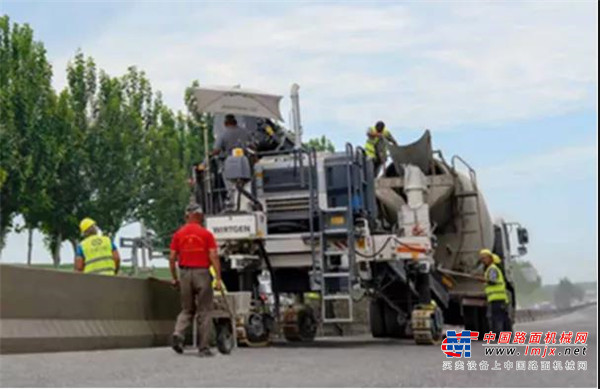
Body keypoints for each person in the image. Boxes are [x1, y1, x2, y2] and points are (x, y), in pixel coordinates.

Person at [170, 204, 222, 357]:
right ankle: (203, 348)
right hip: (202, 273)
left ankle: (178, 334)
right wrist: (218, 278)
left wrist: (174, 278)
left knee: (187, 309)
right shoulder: (206, 234)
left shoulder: (178, 234)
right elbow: (213, 256)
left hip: (185, 273)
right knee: (204, 311)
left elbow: (172, 258)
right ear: (199, 216)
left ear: (187, 216)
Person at [478, 248, 510, 336]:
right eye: (481, 259)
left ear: (490, 258)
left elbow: (493, 280)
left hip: (497, 298)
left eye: (484, 258)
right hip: (497, 298)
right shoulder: (490, 269)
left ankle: (500, 336)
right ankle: (506, 335)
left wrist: (482, 279)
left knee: (497, 318)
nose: (483, 261)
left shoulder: (492, 269)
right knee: (502, 317)